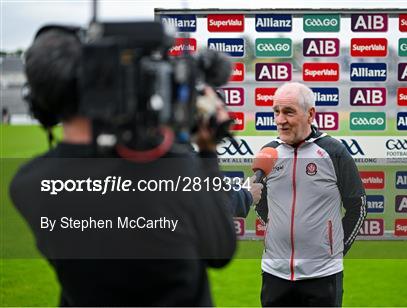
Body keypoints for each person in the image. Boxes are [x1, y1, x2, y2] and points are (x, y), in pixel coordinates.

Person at [10, 27, 238, 306]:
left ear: (39, 104)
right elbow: (220, 251)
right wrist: (207, 152)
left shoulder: (27, 185)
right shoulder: (177, 170)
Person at [255, 82, 367, 307]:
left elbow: (359, 205)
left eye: (288, 112)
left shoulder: (333, 151)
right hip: (274, 274)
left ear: (310, 114)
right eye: (276, 111)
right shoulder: (269, 153)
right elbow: (260, 201)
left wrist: (335, 249)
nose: (280, 120)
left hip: (322, 275)